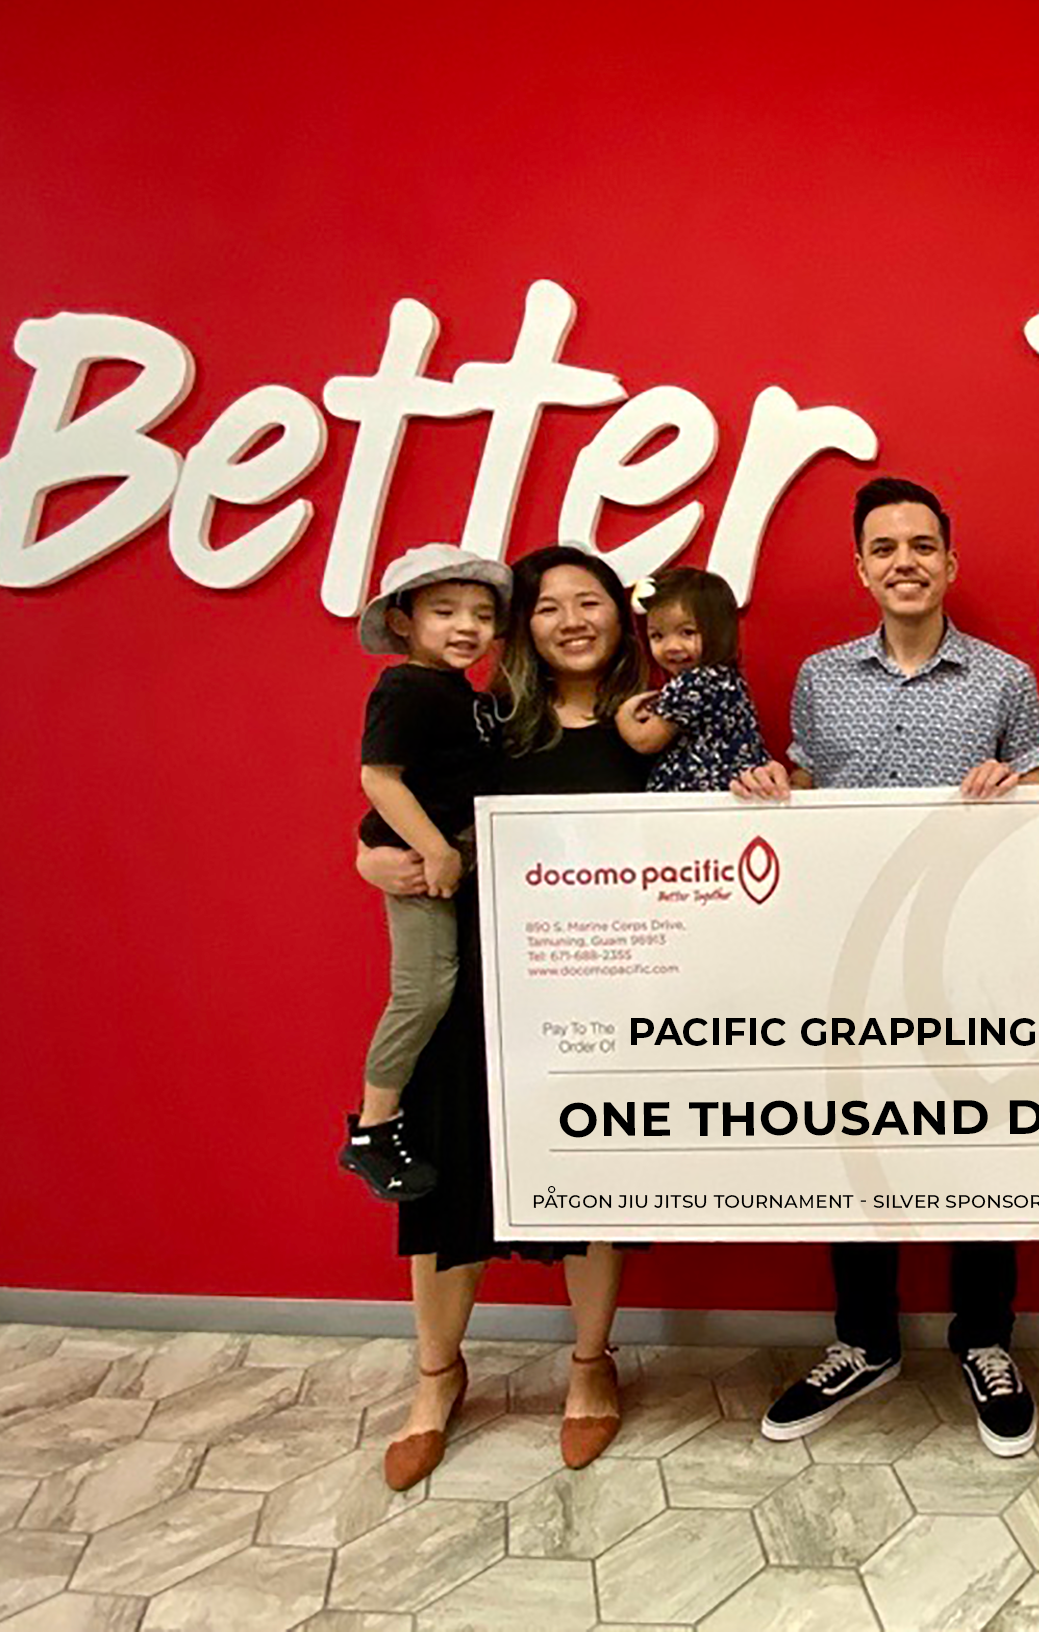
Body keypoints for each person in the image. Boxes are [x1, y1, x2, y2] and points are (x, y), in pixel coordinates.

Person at [733, 476, 1039, 1457]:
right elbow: (812, 791)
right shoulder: (821, 678)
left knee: (978, 1144)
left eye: (922, 545)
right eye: (885, 547)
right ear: (861, 567)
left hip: (972, 957)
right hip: (848, 957)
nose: (904, 560)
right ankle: (864, 1339)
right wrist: (772, 791)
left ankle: (985, 1338)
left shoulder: (1005, 678)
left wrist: (1017, 790)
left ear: (950, 563)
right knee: (856, 1143)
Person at [354, 545, 652, 1490]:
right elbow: (394, 811)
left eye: (590, 600)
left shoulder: (657, 726)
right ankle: (436, 1378)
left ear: (620, 615)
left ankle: (589, 1365)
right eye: (549, 604)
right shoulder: (489, 722)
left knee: (595, 1182)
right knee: (446, 1186)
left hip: (607, 996)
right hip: (480, 985)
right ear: (521, 626)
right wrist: (367, 861)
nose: (571, 618)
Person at [341, 545, 511, 1204]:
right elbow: (377, 779)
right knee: (424, 992)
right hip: (421, 864)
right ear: (405, 622)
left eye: (480, 614)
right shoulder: (405, 687)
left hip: (458, 857)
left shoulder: (460, 694)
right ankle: (372, 1129)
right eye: (444, 611)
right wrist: (435, 851)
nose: (465, 626)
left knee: (440, 990)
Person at [613, 565, 771, 789]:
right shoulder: (726, 678)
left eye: (687, 632)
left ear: (718, 631)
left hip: (701, 795)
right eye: (657, 636)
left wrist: (623, 716)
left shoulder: (695, 682)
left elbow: (646, 740)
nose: (671, 646)